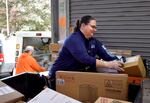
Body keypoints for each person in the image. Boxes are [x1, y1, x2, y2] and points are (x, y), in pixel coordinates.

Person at [49, 15, 124, 90]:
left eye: (95, 27)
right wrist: (108, 64)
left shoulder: (93, 41)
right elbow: (84, 58)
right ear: (83, 25)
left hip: (75, 76)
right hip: (60, 77)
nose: (95, 30)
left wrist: (118, 60)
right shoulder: (74, 39)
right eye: (92, 27)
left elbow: (106, 54)